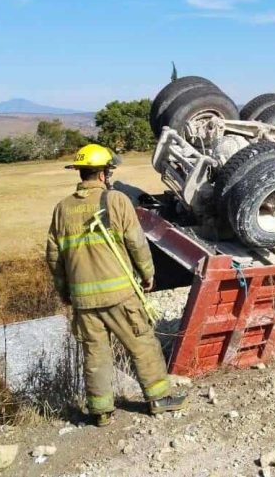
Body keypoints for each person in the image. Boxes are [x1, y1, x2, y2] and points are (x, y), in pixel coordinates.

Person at [46, 144, 187, 427]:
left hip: (84, 302)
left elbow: (53, 256)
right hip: (119, 296)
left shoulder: (62, 209)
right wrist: (148, 273)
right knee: (143, 344)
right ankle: (159, 399)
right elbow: (136, 242)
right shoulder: (116, 201)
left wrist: (66, 292)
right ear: (102, 174)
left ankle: (100, 412)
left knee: (95, 354)